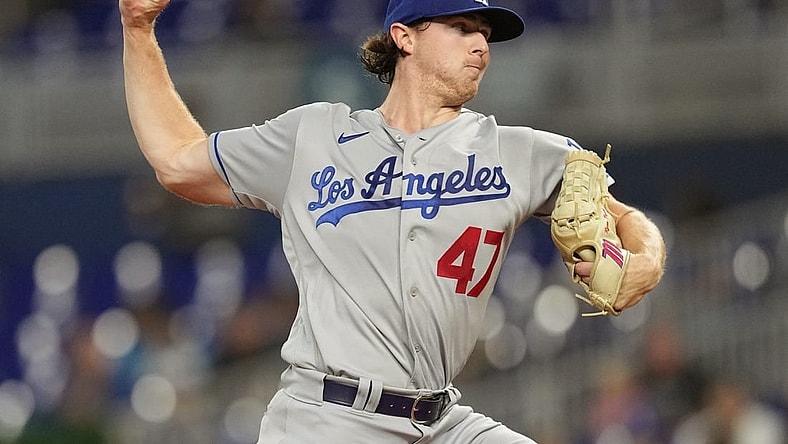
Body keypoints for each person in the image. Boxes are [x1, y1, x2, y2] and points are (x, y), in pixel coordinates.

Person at [119, 0, 667, 442]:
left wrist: (648, 257)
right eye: (461, 26)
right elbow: (176, 159)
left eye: (485, 32)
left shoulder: (520, 153)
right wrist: (137, 29)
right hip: (326, 419)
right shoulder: (314, 139)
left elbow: (625, 219)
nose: (481, 44)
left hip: (439, 420)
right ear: (404, 36)